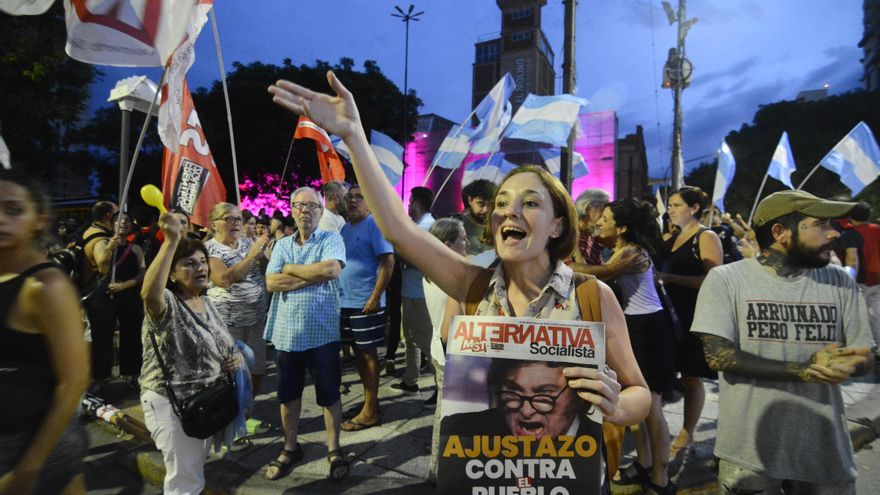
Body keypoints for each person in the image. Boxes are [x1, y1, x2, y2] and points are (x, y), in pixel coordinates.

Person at [268, 72, 650, 485]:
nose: (509, 211)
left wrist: (616, 406)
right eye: (503, 202)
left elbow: (639, 395)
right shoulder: (473, 285)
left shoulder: (593, 296)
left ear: (557, 226)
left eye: (530, 203)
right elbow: (398, 229)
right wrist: (353, 134)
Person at [693, 190, 875, 494]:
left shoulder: (840, 281)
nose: (834, 233)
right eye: (820, 225)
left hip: (825, 449)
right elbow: (717, 355)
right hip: (749, 454)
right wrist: (802, 369)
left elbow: (865, 356)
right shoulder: (726, 279)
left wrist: (854, 361)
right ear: (780, 232)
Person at [0, 170, 90, 495]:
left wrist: (29, 468)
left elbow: (74, 381)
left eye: (13, 210)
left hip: (33, 443)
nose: (1, 220)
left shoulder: (46, 286)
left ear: (39, 219)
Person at [139, 211, 240, 495]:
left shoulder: (205, 301)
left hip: (203, 404)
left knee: (192, 472)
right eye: (188, 264)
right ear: (171, 273)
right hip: (173, 406)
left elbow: (225, 345)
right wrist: (171, 241)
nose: (200, 268)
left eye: (202, 262)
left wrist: (236, 359)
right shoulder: (168, 304)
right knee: (185, 481)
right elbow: (149, 294)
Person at [263, 187, 349, 481]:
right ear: (291, 209)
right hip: (287, 336)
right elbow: (272, 283)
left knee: (329, 394)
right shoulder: (282, 244)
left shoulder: (331, 239)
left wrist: (291, 269)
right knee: (288, 395)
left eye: (312, 205)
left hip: (323, 334)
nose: (306, 210)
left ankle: (334, 449)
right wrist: (307, 274)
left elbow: (330, 271)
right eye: (300, 205)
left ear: (321, 211)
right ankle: (290, 447)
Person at [595, 199, 676, 495]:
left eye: (605, 218)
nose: (599, 222)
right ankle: (643, 463)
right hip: (636, 328)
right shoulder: (622, 249)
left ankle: (660, 479)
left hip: (648, 330)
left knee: (651, 406)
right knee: (636, 400)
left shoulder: (630, 253)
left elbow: (598, 275)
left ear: (623, 227)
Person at [656, 186, 723, 466]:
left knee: (692, 375)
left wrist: (669, 278)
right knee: (663, 371)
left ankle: (687, 431)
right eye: (669, 205)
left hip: (694, 314)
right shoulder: (669, 237)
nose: (670, 209)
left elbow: (714, 279)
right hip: (666, 314)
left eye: (676, 205)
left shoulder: (706, 237)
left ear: (694, 208)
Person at [337, 185, 394, 431]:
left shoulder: (374, 224)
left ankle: (370, 411)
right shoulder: (344, 228)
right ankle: (368, 404)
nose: (352, 201)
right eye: (349, 197)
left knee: (368, 355)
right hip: (345, 302)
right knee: (359, 356)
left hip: (366, 303)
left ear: (369, 203)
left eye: (359, 197)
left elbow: (388, 262)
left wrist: (374, 297)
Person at [204, 204, 269, 397]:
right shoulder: (209, 249)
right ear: (214, 224)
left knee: (257, 368)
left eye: (238, 219)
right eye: (228, 219)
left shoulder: (248, 242)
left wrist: (264, 252)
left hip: (257, 319)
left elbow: (268, 269)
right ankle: (232, 415)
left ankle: (249, 408)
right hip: (228, 324)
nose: (235, 223)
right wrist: (253, 255)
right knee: (232, 370)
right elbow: (224, 279)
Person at [423, 217, 468, 482]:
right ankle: (438, 471)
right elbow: (447, 330)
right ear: (448, 244)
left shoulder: (431, 268)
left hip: (438, 353)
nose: (466, 242)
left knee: (444, 413)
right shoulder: (454, 276)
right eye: (462, 238)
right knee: (446, 416)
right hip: (451, 355)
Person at [393, 186, 436, 396]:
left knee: (426, 342)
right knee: (410, 339)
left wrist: (397, 254)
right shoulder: (418, 225)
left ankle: (442, 385)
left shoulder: (427, 227)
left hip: (420, 293)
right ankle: (410, 380)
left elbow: (421, 260)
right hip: (410, 291)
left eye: (410, 202)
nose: (408, 206)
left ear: (417, 204)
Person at [106, 211, 146, 387]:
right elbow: (100, 266)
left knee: (132, 336)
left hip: (130, 296)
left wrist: (124, 286)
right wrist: (109, 249)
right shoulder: (104, 244)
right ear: (112, 224)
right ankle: (102, 375)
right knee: (104, 337)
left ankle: (132, 373)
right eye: (118, 220)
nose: (123, 223)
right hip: (107, 296)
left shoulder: (136, 248)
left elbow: (142, 274)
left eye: (127, 220)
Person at [81, 201, 120, 385]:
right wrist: (111, 246)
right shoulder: (99, 239)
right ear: (108, 216)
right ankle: (97, 380)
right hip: (95, 297)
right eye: (117, 214)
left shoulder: (89, 231)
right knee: (100, 340)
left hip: (87, 295)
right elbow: (103, 266)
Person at [458, 179, 495, 255]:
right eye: (481, 204)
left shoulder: (497, 225)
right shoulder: (458, 224)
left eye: (490, 205)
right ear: (470, 200)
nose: (485, 210)